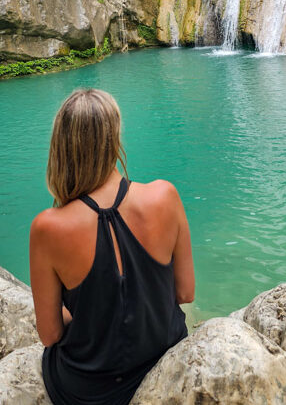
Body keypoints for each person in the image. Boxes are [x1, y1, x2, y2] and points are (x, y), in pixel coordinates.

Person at [30, 88, 195, 405]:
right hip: (164, 359)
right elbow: (185, 293)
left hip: (91, 390)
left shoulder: (48, 227)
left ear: (61, 147)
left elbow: (49, 335)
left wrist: (89, 312)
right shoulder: (165, 195)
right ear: (115, 139)